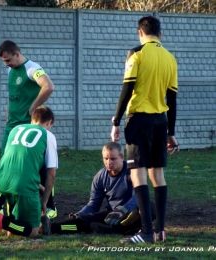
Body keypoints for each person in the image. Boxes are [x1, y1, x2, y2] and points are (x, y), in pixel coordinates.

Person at [110, 16, 179, 244]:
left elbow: (127, 88)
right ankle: (160, 231)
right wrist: (171, 132)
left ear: (140, 33)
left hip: (138, 120)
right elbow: (173, 99)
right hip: (161, 122)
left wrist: (116, 121)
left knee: (137, 173)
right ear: (160, 34)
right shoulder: (170, 58)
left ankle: (147, 232)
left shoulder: (136, 54)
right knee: (157, 175)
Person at [0, 40, 57, 220]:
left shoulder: (31, 68)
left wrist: (33, 107)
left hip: (28, 126)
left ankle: (50, 206)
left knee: (39, 167)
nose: (6, 63)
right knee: (6, 165)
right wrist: (7, 115)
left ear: (17, 54)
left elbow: (49, 86)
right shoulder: (12, 70)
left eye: (8, 59)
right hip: (12, 127)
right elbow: (14, 97)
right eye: (4, 61)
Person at [48, 142, 155, 235]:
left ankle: (115, 230)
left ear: (122, 157)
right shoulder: (100, 176)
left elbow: (138, 195)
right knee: (83, 220)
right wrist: (79, 214)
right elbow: (94, 203)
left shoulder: (133, 171)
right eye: (106, 159)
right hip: (112, 216)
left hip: (130, 213)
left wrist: (123, 209)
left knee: (150, 207)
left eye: (113, 159)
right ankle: (50, 228)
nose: (109, 162)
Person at [0, 105, 58, 241]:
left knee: (17, 226)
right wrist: (45, 202)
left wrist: (38, 187)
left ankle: (11, 225)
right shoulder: (48, 135)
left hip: (2, 180)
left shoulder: (16, 129)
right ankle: (3, 221)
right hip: (21, 185)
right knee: (33, 231)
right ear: (49, 122)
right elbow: (51, 174)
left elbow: (19, 163)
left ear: (32, 119)